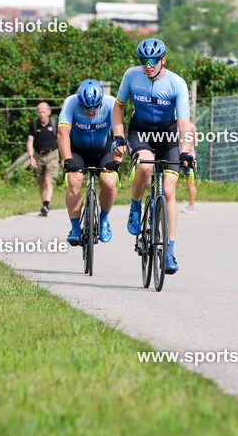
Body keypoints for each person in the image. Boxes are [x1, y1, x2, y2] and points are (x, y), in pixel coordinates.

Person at [112, 38, 193, 274]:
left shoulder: (177, 83)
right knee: (145, 168)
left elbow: (184, 122)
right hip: (142, 132)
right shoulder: (131, 76)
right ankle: (136, 206)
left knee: (168, 190)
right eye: (143, 61)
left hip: (167, 135)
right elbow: (118, 107)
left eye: (153, 61)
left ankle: (169, 252)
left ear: (162, 60)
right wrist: (118, 136)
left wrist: (186, 150)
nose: (148, 65)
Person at [58, 79, 125, 245]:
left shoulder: (111, 103)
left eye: (95, 107)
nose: (91, 111)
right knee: (74, 182)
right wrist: (67, 159)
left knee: (109, 182)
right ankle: (75, 227)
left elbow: (119, 135)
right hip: (77, 152)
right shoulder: (71, 103)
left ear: (101, 101)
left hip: (103, 151)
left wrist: (117, 160)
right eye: (86, 107)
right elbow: (62, 133)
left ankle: (103, 219)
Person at [26, 102, 59, 217]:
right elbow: (30, 141)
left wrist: (65, 157)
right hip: (38, 155)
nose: (41, 114)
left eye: (44, 111)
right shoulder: (34, 125)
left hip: (52, 155)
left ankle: (46, 204)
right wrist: (31, 157)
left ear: (49, 112)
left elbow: (61, 139)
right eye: (39, 111)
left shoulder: (55, 123)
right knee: (41, 182)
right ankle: (44, 206)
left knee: (48, 180)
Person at [180, 121, 198, 213]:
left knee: (190, 182)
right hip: (176, 156)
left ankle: (191, 205)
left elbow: (191, 142)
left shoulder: (192, 127)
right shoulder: (176, 125)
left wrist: (184, 152)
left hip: (188, 156)